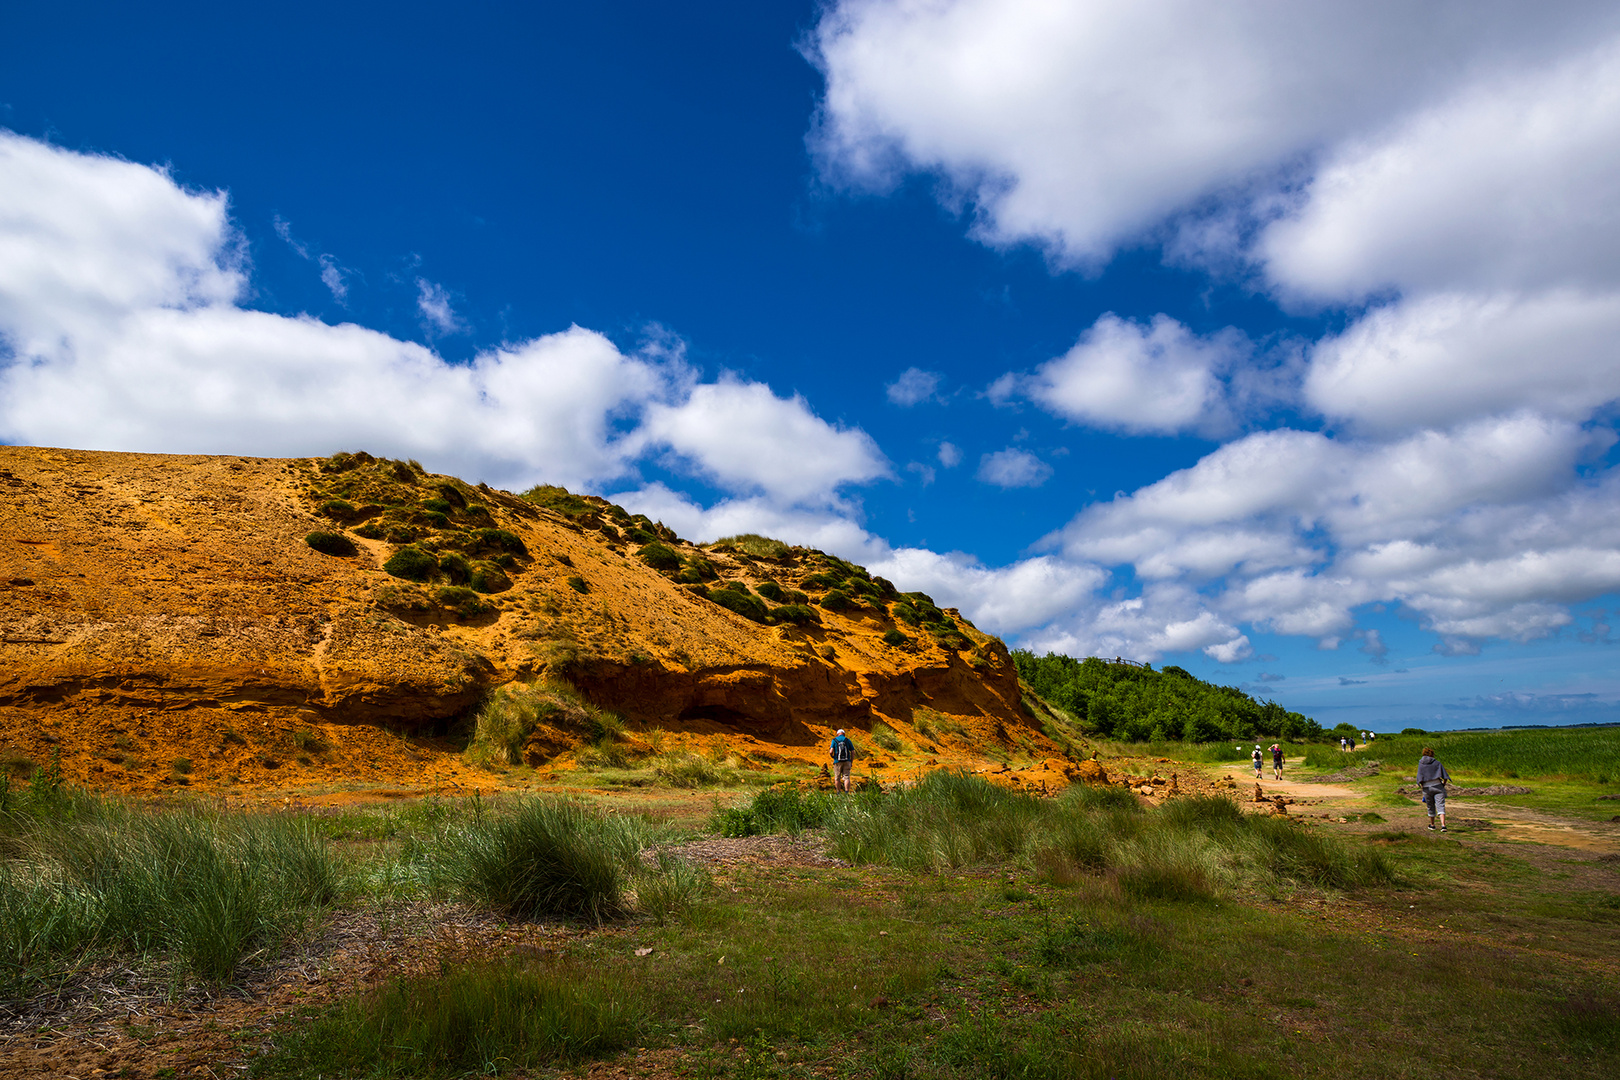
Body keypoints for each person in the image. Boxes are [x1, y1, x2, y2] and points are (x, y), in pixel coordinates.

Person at [1417, 747, 1451, 832]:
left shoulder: (1421, 763)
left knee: (1430, 806)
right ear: (1432, 754)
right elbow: (1445, 776)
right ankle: (1443, 825)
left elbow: (1419, 778)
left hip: (1427, 788)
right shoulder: (1437, 763)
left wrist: (1422, 786)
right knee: (1441, 806)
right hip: (1438, 786)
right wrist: (1443, 785)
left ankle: (1432, 825)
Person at [830, 728, 854, 793]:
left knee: (837, 777)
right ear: (844, 734)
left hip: (837, 761)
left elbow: (831, 751)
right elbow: (852, 751)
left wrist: (832, 756)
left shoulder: (834, 740)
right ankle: (846, 792)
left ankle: (838, 792)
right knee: (846, 777)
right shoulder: (848, 740)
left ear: (837, 734)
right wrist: (851, 761)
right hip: (847, 761)